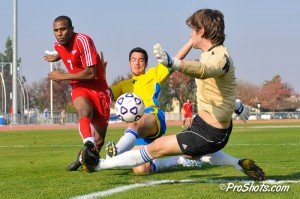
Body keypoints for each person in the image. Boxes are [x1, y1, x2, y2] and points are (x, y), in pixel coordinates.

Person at [84, 9, 265, 181]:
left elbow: (206, 70)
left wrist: (174, 62)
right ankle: (238, 164)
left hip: (209, 131)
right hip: (204, 127)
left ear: (202, 31)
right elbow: (216, 90)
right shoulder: (209, 53)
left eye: (193, 30)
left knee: (155, 148)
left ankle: (99, 164)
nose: (190, 34)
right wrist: (236, 105)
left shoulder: (220, 57)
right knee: (194, 152)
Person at [44, 15, 111, 172]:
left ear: (72, 29)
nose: (59, 33)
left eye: (63, 29)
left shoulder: (83, 40)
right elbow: (63, 51)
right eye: (56, 30)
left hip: (99, 89)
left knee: (99, 142)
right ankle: (87, 141)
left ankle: (82, 157)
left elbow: (90, 73)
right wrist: (55, 57)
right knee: (83, 111)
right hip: (80, 87)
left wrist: (62, 76)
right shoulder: (58, 45)